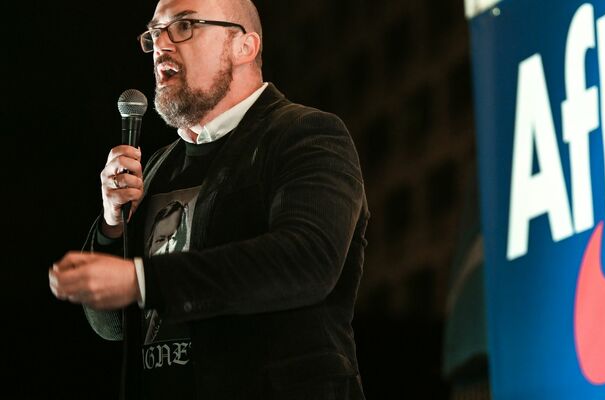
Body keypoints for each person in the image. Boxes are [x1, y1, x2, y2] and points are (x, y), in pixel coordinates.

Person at [48, 0, 369, 398]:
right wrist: (113, 226)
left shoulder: (305, 134)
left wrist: (143, 280)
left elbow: (306, 260)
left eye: (183, 26)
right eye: (154, 33)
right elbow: (112, 326)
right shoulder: (157, 168)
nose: (161, 44)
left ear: (243, 47)